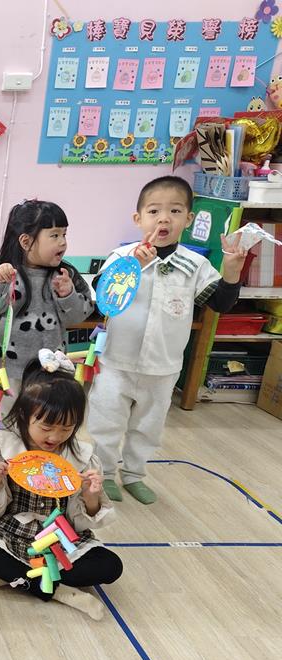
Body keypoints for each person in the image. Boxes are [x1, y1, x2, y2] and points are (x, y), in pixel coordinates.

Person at [87, 176, 246, 504]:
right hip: (116, 361)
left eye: (174, 211)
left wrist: (231, 272)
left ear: (188, 219)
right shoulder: (122, 256)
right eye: (154, 211)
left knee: (149, 426)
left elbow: (220, 303)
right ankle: (103, 473)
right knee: (106, 421)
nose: (164, 219)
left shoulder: (194, 264)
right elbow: (102, 296)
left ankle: (134, 474)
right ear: (138, 218)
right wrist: (133, 266)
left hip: (163, 366)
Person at [0, 354, 122, 621]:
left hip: (58, 540)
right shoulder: (3, 452)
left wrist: (91, 497)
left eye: (67, 428)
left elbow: (80, 525)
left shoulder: (82, 459)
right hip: (10, 533)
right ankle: (58, 591)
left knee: (110, 566)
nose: (55, 436)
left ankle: (15, 577)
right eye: (47, 426)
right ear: (24, 415)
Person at [0, 200, 94, 438]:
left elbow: (78, 317)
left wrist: (68, 294)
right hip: (8, 368)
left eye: (64, 234)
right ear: (26, 241)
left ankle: (37, 458)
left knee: (43, 422)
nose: (63, 242)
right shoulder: (8, 272)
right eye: (54, 235)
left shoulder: (66, 275)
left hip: (51, 370)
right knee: (2, 420)